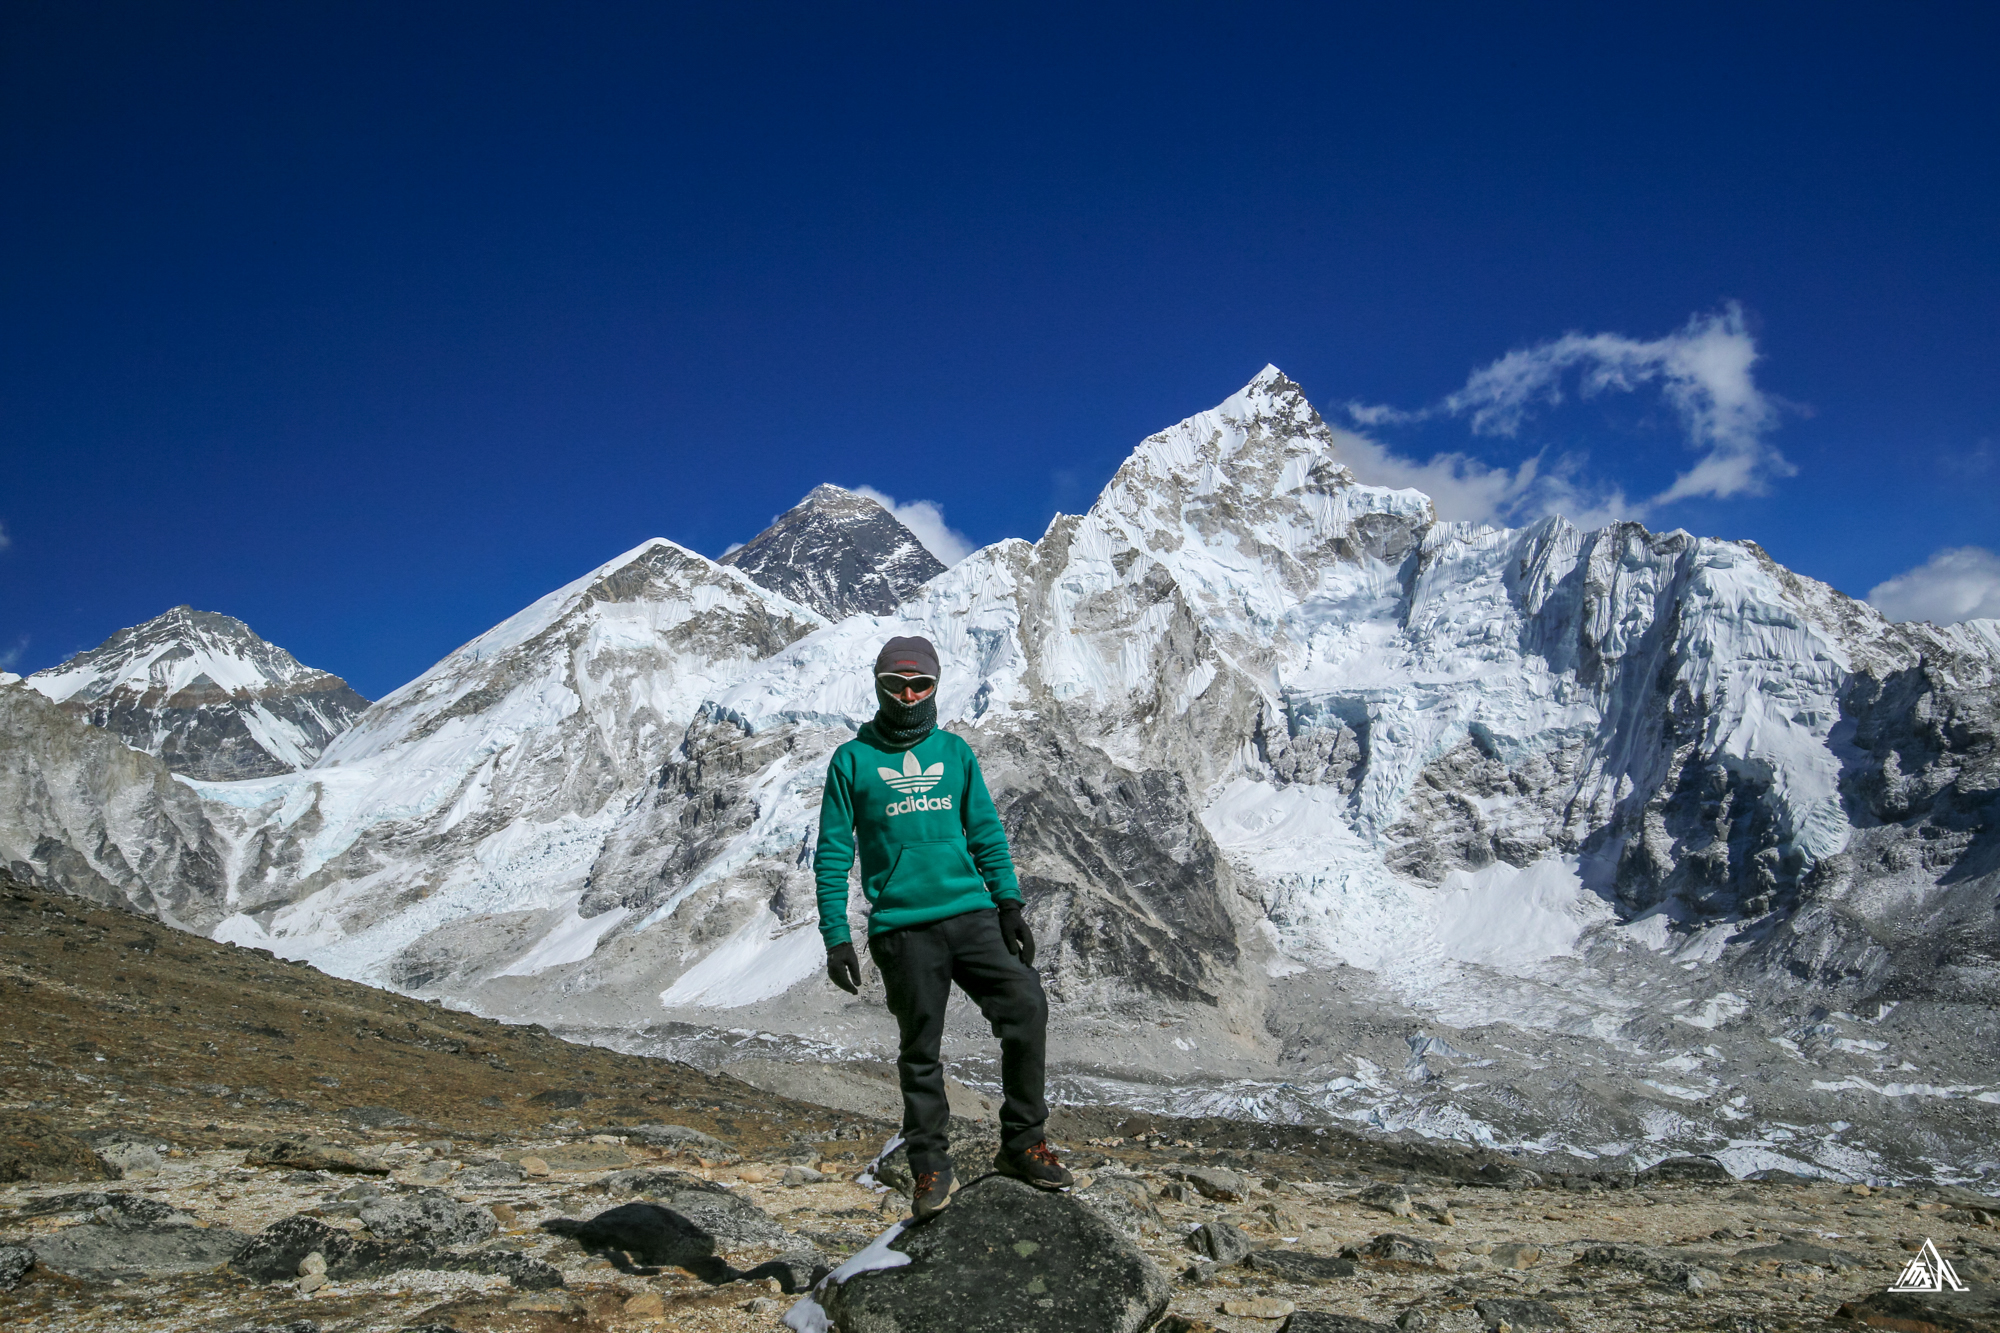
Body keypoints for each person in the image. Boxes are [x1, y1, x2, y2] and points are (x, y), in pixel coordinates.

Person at [814, 634, 1071, 1219]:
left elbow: (984, 829)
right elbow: (832, 855)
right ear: (878, 687)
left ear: (935, 686)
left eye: (920, 684)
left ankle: (1024, 1142)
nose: (908, 694)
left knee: (1025, 1003)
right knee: (920, 1048)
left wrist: (1009, 903)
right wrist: (836, 936)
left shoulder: (954, 752)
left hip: (972, 913)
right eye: (895, 684)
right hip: (902, 928)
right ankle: (929, 1162)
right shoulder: (851, 761)